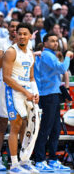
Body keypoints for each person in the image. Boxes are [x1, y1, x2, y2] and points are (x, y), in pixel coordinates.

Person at [2, 22, 39, 173]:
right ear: (15, 35)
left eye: (25, 34)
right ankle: (14, 164)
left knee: (28, 126)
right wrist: (26, 92)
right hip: (14, 92)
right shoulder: (11, 51)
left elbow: (31, 77)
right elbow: (6, 78)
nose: (22, 36)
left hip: (27, 92)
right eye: (20, 33)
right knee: (15, 127)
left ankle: (24, 160)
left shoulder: (30, 52)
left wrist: (35, 93)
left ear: (30, 36)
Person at [33, 33, 72, 172]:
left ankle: (53, 159)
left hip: (54, 94)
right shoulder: (47, 55)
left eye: (56, 41)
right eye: (52, 41)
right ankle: (39, 160)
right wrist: (67, 56)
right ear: (45, 43)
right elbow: (62, 69)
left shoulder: (50, 55)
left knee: (55, 129)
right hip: (47, 95)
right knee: (46, 129)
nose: (55, 43)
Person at [0, 19, 19, 171]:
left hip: (20, 86)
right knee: (3, 124)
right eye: (12, 26)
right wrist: (12, 48)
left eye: (17, 27)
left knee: (20, 124)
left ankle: (19, 159)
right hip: (5, 85)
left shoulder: (26, 45)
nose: (14, 29)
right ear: (7, 28)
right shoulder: (1, 42)